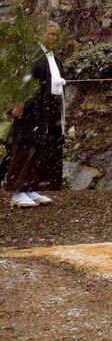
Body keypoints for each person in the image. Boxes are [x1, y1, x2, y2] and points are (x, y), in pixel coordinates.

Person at [6, 22, 65, 208]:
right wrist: (20, 103)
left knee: (42, 147)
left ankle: (30, 187)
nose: (53, 38)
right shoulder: (31, 54)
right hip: (33, 107)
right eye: (50, 34)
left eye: (56, 35)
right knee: (26, 145)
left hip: (49, 106)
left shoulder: (52, 57)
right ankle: (17, 191)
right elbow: (23, 78)